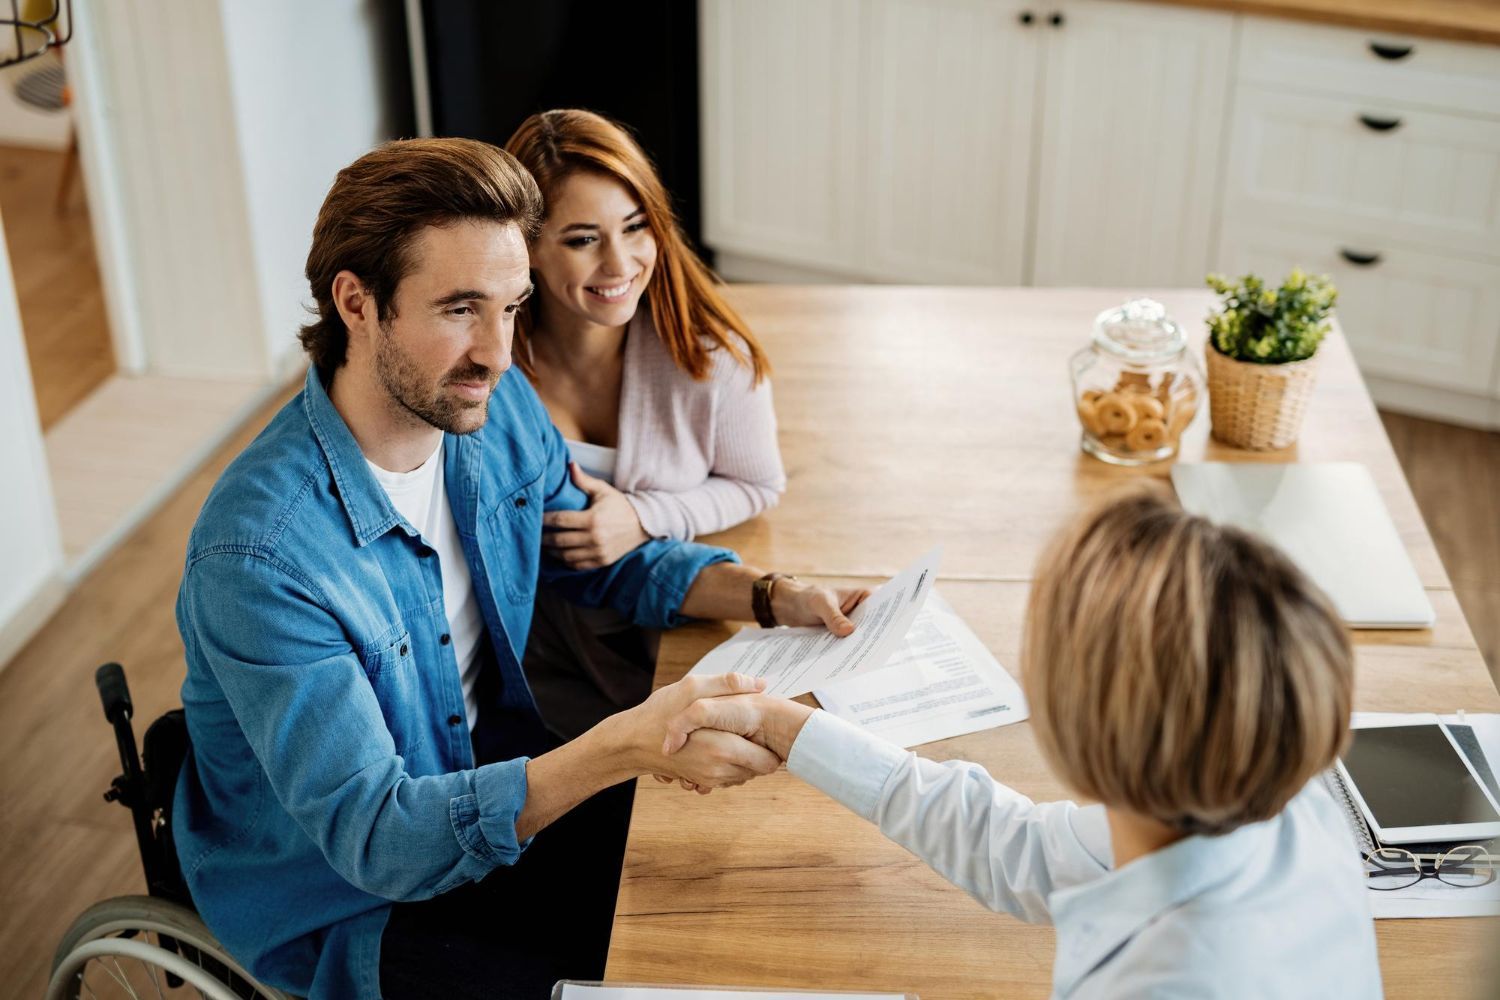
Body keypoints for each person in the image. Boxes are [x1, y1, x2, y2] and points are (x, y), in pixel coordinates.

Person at [172, 137, 867, 1000]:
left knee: (745, 905)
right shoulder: (262, 559)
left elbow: (597, 558)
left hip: (498, 789)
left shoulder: (489, 416)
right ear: (357, 302)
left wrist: (769, 596)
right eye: (461, 309)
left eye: (511, 307)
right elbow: (380, 839)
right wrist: (621, 745)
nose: (499, 352)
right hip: (354, 904)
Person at [664, 485, 1381, 998]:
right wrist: (791, 728)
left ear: (1087, 723)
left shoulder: (1180, 977)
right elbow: (1024, 849)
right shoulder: (1265, 796)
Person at [501, 109, 786, 738]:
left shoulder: (710, 355)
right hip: (534, 644)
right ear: (526, 249)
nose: (620, 262)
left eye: (635, 227)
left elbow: (758, 485)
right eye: (582, 239)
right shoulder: (490, 368)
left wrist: (639, 516)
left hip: (666, 612)